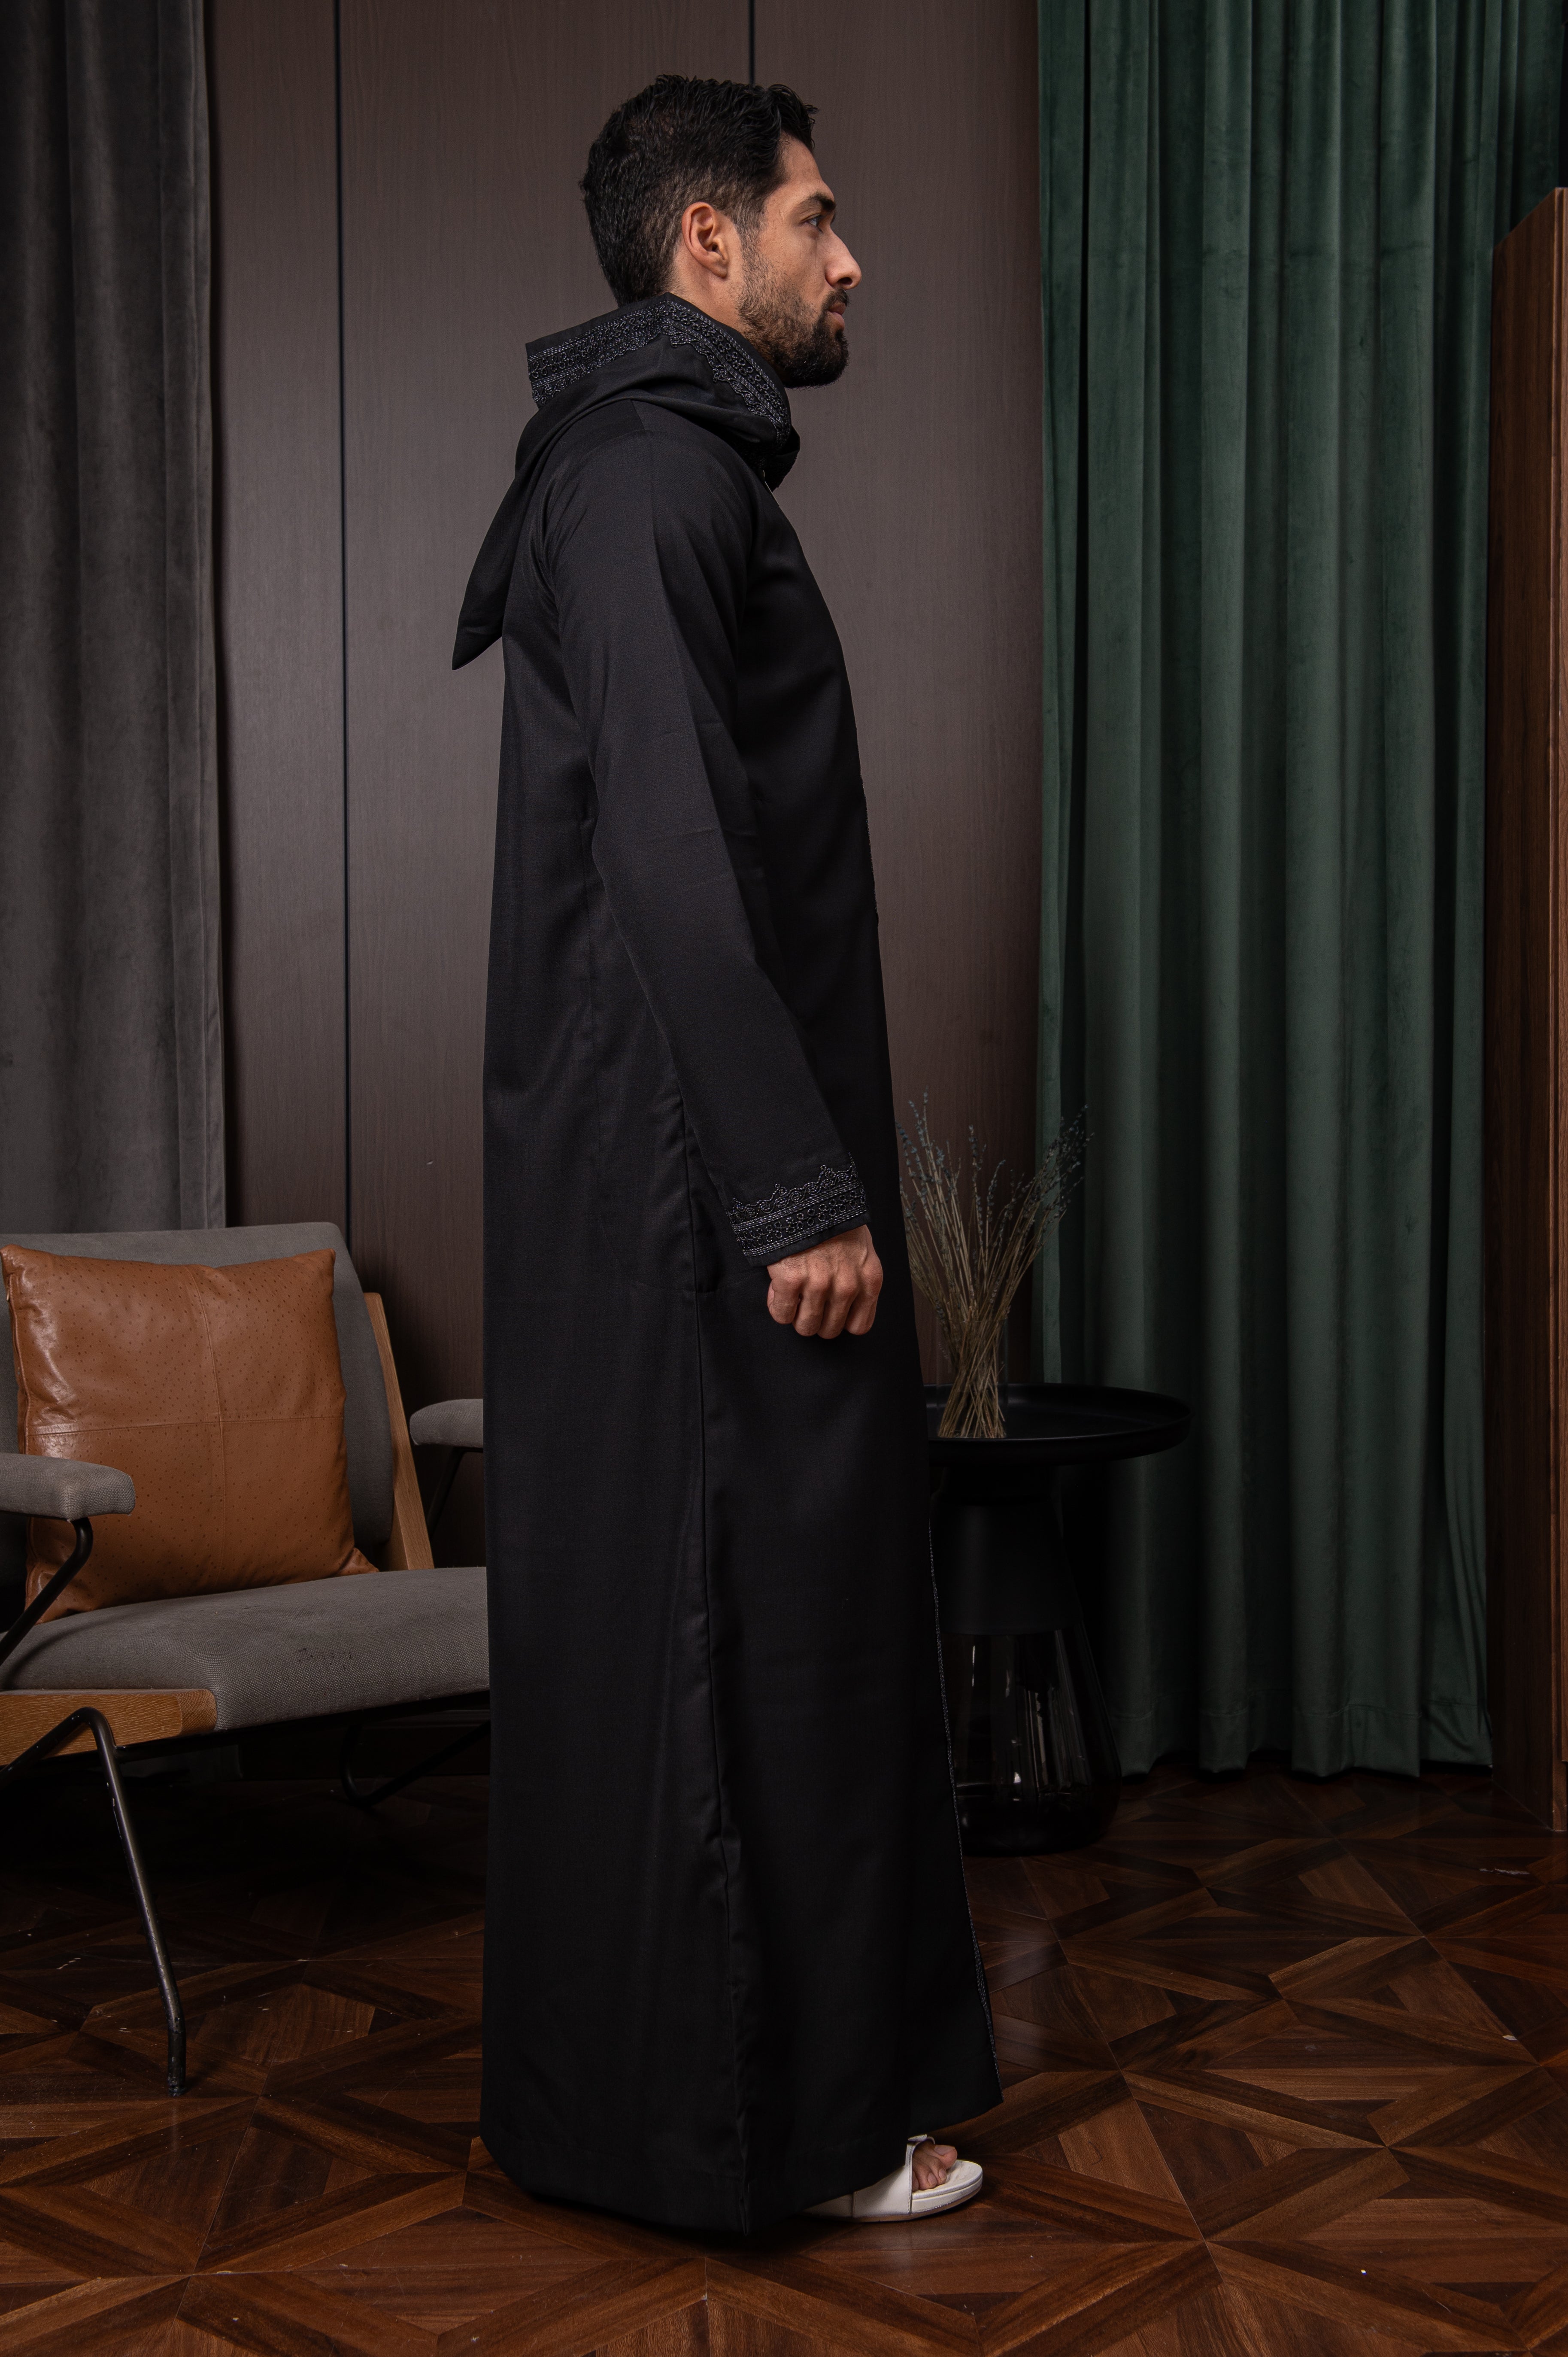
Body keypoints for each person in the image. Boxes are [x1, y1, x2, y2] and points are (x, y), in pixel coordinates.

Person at [453, 73, 999, 2236]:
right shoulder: (643, 481)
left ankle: (669, 2120)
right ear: (707, 242)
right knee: (752, 1623)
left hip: (672, 1172)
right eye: (813, 218)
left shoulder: (644, 473)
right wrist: (794, 1189)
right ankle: (797, 2134)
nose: (848, 258)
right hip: (704, 1194)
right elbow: (673, 852)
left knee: (729, 1618)